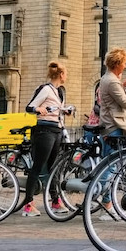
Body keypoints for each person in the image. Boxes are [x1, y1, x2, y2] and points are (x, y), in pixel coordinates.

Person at [22, 61, 73, 216]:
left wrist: (65, 111)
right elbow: (30, 107)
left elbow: (56, 110)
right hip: (44, 131)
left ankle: (55, 200)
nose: (67, 76)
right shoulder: (45, 89)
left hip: (56, 130)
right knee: (38, 166)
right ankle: (28, 204)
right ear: (61, 74)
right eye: (66, 73)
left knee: (53, 167)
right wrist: (39, 109)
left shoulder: (59, 92)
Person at [98, 48, 126, 155]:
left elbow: (112, 95)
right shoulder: (112, 81)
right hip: (114, 127)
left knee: (112, 163)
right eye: (124, 63)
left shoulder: (106, 78)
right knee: (111, 165)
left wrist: (124, 84)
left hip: (109, 126)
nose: (125, 66)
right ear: (117, 64)